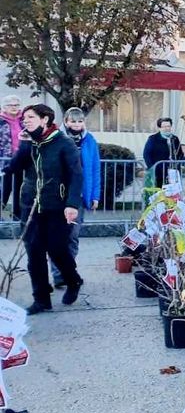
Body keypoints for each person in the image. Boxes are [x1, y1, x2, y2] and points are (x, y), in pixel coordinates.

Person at [3, 105, 84, 314]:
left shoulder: (63, 143)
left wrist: (72, 204)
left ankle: (72, 280)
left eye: (31, 117)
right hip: (31, 206)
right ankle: (41, 299)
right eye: (24, 118)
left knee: (57, 249)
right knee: (34, 253)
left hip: (57, 206)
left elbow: (76, 175)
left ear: (45, 119)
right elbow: (14, 167)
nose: (25, 121)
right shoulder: (29, 142)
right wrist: (23, 144)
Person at [50, 108, 100, 289]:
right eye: (73, 122)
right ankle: (58, 275)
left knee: (72, 236)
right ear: (66, 121)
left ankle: (69, 271)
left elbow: (94, 168)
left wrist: (95, 195)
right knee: (58, 236)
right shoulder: (56, 138)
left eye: (80, 122)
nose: (77, 125)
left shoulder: (89, 140)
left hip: (78, 196)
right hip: (59, 196)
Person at [0, 95, 24, 219]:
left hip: (21, 161)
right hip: (5, 161)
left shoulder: (23, 121)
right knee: (4, 188)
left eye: (16, 105)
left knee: (19, 189)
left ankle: (17, 214)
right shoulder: (1, 121)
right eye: (11, 105)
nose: (14, 107)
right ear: (4, 107)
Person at [143, 117, 184, 189]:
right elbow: (146, 154)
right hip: (158, 171)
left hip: (173, 171)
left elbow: (180, 153)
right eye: (164, 126)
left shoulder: (175, 138)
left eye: (168, 126)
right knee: (159, 192)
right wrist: (152, 168)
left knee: (173, 193)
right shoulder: (153, 138)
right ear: (159, 128)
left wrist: (178, 164)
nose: (166, 128)